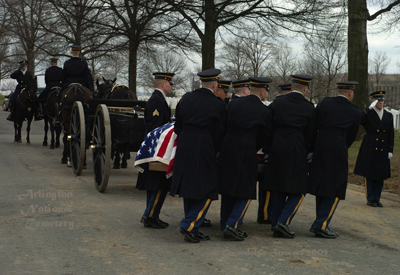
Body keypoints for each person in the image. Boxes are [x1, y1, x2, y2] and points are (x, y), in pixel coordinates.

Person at [170, 68, 227, 243]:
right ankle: (189, 223)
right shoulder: (218, 104)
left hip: (185, 142)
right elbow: (220, 131)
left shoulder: (186, 98)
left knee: (189, 187)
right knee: (207, 189)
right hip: (204, 144)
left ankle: (193, 227)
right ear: (215, 84)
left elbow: (177, 124)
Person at [218, 76, 272, 241]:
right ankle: (232, 225)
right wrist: (253, 146)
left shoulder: (234, 103)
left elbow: (224, 125)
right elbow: (265, 136)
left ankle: (225, 222)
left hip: (228, 148)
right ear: (262, 91)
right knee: (246, 191)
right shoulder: (264, 111)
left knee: (228, 188)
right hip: (247, 149)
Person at [262, 74, 315, 238]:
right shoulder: (308, 107)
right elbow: (311, 133)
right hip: (297, 146)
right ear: (305, 89)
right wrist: (306, 150)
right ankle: (282, 222)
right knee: (299, 190)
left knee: (278, 188)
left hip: (278, 145)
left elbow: (267, 126)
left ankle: (275, 224)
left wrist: (269, 147)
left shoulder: (278, 102)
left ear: (292, 87)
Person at [308, 81, 361, 239]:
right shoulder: (354, 111)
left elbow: (313, 125)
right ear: (350, 93)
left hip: (320, 144)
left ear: (339, 90)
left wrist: (314, 146)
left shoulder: (324, 103)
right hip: (338, 147)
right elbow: (352, 135)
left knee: (322, 185)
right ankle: (321, 224)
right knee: (336, 187)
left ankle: (320, 220)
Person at [136, 72, 174, 229]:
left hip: (155, 148)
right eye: (170, 84)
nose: (171, 87)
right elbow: (157, 128)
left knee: (155, 183)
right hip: (157, 149)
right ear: (163, 84)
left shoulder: (158, 99)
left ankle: (152, 214)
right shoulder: (157, 101)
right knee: (158, 183)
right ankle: (149, 215)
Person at [257, 83, 291, 225]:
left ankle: (267, 214)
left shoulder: (275, 105)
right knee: (268, 186)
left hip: (272, 148)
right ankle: (265, 214)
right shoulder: (278, 105)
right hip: (272, 150)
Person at [354, 91, 394, 207]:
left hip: (383, 147)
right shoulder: (369, 114)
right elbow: (359, 119)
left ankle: (377, 198)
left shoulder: (388, 115)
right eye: (378, 100)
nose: (381, 102)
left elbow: (390, 133)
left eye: (382, 100)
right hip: (370, 146)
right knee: (370, 173)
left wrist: (390, 149)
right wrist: (368, 109)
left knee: (380, 175)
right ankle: (370, 198)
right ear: (374, 101)